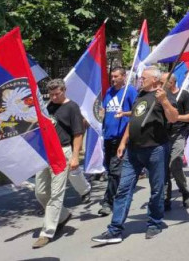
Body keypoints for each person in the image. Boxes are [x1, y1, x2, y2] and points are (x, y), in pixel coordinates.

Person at [92, 66, 180, 244]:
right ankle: (115, 229)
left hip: (155, 149)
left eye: (144, 78)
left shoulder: (164, 95)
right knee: (123, 189)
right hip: (133, 150)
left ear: (155, 80)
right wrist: (124, 141)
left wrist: (164, 101)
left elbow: (173, 118)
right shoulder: (140, 95)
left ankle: (154, 222)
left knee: (157, 189)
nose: (140, 80)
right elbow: (134, 121)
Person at [32, 79, 86, 249]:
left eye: (57, 94)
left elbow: (78, 134)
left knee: (56, 193)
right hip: (46, 152)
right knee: (40, 192)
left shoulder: (72, 107)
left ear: (64, 90)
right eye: (52, 94)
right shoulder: (49, 106)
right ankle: (63, 215)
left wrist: (75, 156)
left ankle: (47, 232)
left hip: (63, 152)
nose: (54, 97)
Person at [98, 68, 138, 217]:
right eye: (112, 76)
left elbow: (138, 111)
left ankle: (107, 202)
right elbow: (105, 111)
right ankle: (119, 194)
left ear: (123, 77)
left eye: (116, 76)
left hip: (122, 138)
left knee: (115, 171)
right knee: (110, 170)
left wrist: (125, 113)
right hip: (108, 137)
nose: (113, 79)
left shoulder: (130, 91)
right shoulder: (109, 92)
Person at [162, 72, 189, 210]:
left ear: (172, 83)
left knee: (175, 165)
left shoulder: (184, 95)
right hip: (162, 136)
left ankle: (184, 190)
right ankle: (165, 199)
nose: (161, 85)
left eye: (163, 82)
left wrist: (176, 117)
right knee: (163, 169)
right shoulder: (160, 96)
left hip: (178, 134)